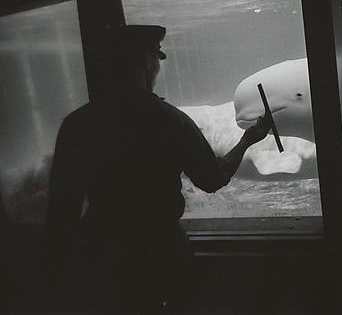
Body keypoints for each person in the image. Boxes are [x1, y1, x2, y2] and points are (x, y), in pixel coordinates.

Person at [45, 25, 270, 311]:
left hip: (103, 260)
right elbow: (213, 178)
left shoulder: (77, 125)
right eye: (156, 58)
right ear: (146, 62)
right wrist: (247, 141)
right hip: (163, 256)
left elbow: (61, 213)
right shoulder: (171, 120)